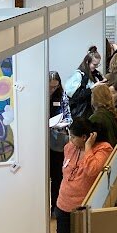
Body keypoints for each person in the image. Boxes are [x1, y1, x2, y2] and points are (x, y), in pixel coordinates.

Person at [54, 119, 113, 233]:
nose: (70, 140)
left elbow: (92, 170)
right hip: (63, 204)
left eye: (73, 137)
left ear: (84, 137)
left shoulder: (103, 149)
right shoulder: (70, 147)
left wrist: (88, 148)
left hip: (82, 210)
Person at [49, 71, 72, 216]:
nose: (52, 90)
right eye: (50, 87)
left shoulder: (62, 96)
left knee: (57, 176)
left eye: (55, 87)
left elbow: (69, 117)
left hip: (57, 140)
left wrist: (61, 124)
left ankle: (55, 208)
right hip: (41, 142)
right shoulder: (38, 95)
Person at [65, 47, 105, 119]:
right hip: (81, 113)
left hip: (90, 111)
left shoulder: (95, 73)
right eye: (94, 64)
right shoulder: (78, 75)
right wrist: (92, 88)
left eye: (98, 65)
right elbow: (75, 96)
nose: (96, 67)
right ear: (87, 62)